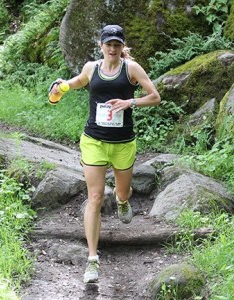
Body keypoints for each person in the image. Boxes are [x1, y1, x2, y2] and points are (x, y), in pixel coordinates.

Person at [50, 24, 161, 284]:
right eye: (108, 44)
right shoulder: (91, 68)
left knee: (122, 193)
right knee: (96, 197)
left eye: (117, 44)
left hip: (123, 143)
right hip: (94, 141)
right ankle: (92, 261)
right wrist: (61, 87)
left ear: (122, 48)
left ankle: (123, 201)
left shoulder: (131, 69)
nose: (112, 48)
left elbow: (155, 97)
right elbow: (77, 82)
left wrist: (129, 102)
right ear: (101, 46)